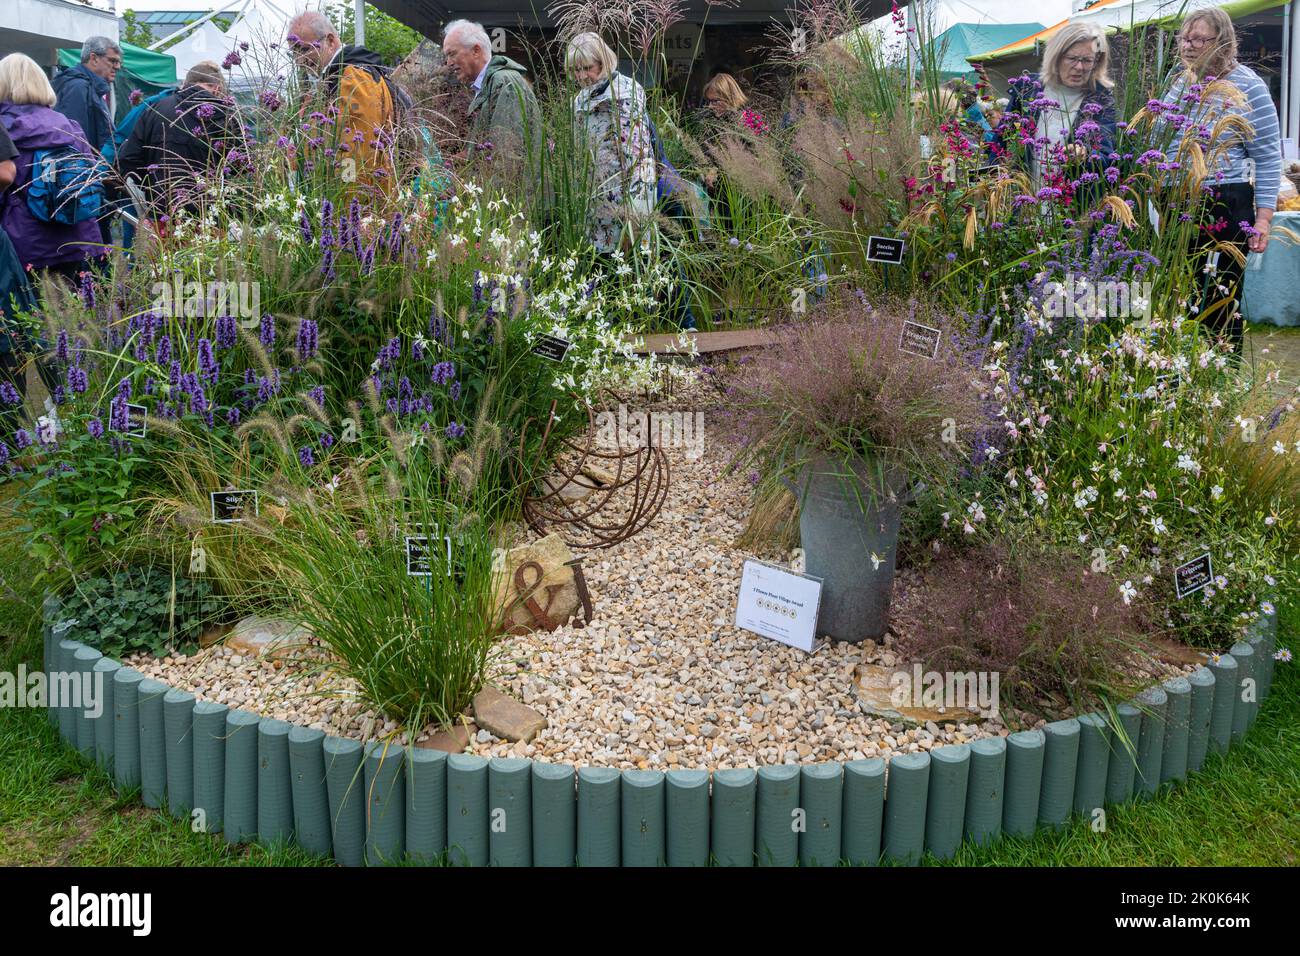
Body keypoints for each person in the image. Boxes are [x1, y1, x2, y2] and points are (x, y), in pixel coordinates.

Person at [1158, 7, 1281, 352]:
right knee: (1180, 292)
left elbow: (1269, 158)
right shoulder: (1178, 83)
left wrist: (1264, 219)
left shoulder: (1249, 86)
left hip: (1224, 197)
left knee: (1220, 296)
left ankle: (1220, 377)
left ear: (1223, 42)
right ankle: (1179, 374)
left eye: (1199, 38)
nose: (1188, 46)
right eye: (1184, 38)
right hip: (1175, 199)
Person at [0, 53, 106, 282]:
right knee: (75, 312)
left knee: (25, 313)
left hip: (24, 241)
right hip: (78, 235)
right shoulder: (70, 126)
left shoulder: (5, 128)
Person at [286, 9, 402, 197]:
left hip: (358, 203)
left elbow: (357, 152)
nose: (300, 60)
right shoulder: (336, 77)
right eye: (294, 52)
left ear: (330, 41)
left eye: (305, 49)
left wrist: (348, 204)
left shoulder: (353, 79)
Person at [566, 32, 657, 256]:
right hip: (590, 202)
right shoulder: (580, 99)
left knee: (624, 268)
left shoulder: (624, 94)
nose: (581, 76)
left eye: (586, 67)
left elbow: (638, 159)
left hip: (622, 204)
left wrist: (636, 213)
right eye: (575, 70)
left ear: (603, 62)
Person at [998, 22, 1117, 191]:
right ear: (1056, 57)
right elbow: (1002, 141)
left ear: (1097, 62)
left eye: (1087, 60)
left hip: (1070, 206)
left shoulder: (1101, 99)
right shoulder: (1027, 89)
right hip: (1021, 200)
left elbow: (1106, 156)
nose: (1079, 67)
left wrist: (1085, 154)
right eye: (1072, 58)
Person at [117, 61, 233, 223]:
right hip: (210, 215)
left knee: (165, 249)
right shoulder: (228, 116)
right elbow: (240, 165)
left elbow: (129, 159)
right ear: (217, 88)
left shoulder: (155, 108)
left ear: (185, 83)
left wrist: (152, 188)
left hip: (162, 213)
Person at [441, 20, 541, 174]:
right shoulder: (487, 85)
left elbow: (506, 157)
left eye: (452, 53)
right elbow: (486, 149)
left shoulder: (503, 83)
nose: (448, 63)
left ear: (476, 51)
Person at [52, 37, 119, 245]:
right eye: (112, 60)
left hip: (92, 183)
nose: (117, 66)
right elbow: (74, 140)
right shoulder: (78, 88)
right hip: (83, 187)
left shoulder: (92, 88)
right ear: (93, 58)